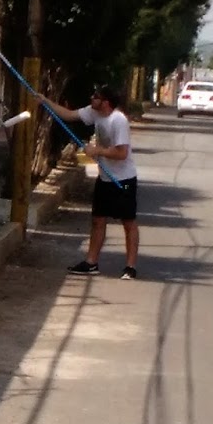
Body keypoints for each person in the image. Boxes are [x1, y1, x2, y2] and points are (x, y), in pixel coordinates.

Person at [42, 85, 140, 279]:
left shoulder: (118, 120)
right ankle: (91, 262)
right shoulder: (94, 112)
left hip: (124, 179)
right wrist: (45, 101)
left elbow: (122, 153)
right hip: (105, 178)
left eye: (96, 96)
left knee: (128, 222)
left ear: (106, 102)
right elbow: (69, 115)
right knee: (98, 220)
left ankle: (130, 266)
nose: (91, 98)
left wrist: (97, 151)